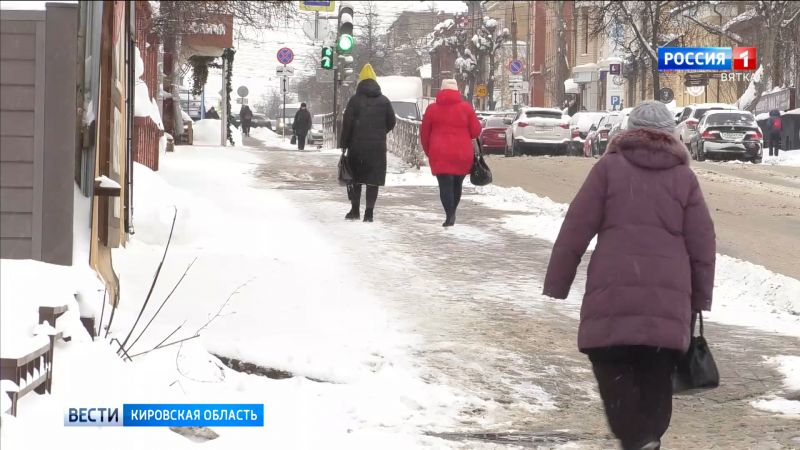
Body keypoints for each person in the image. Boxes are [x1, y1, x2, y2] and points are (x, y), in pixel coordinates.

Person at [542, 101, 716, 450]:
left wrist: (558, 281)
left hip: (612, 298)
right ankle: (646, 438)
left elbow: (575, 227)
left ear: (627, 130)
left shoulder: (609, 168)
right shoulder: (684, 178)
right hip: (666, 303)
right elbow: (703, 244)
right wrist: (699, 298)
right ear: (673, 135)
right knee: (656, 377)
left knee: (612, 368)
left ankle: (637, 439)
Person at [420, 79, 481, 227]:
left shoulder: (432, 109)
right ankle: (453, 211)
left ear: (441, 91)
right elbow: (476, 131)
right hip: (462, 154)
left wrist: (430, 152)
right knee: (457, 185)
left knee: (445, 185)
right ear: (457, 91)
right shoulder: (466, 108)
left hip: (440, 153)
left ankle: (449, 214)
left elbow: (424, 134)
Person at [339, 63, 396, 222]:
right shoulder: (384, 101)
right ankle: (369, 213)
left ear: (360, 81)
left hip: (357, 147)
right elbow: (392, 121)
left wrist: (344, 144)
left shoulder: (354, 101)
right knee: (373, 180)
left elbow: (347, 124)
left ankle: (355, 210)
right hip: (377, 148)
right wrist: (379, 132)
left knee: (356, 179)